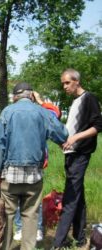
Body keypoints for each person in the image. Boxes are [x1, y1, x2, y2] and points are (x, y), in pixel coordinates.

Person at [0, 82, 68, 250]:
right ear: (31, 95)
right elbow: (62, 134)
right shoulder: (41, 112)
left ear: (15, 97)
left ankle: (6, 247)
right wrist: (42, 105)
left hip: (10, 176)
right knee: (30, 216)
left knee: (8, 215)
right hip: (34, 176)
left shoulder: (7, 112)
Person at [52, 69, 102, 249]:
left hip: (80, 155)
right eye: (63, 83)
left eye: (67, 82)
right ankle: (80, 238)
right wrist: (65, 140)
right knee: (78, 196)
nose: (64, 86)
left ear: (76, 81)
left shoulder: (89, 98)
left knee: (70, 198)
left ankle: (57, 243)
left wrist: (74, 138)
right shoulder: (75, 102)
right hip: (70, 155)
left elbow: (98, 126)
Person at [13, 91, 61, 242]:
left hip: (36, 162)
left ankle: (38, 229)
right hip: (16, 160)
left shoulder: (40, 113)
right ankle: (20, 227)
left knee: (35, 200)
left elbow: (55, 114)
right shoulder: (14, 112)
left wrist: (40, 101)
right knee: (18, 197)